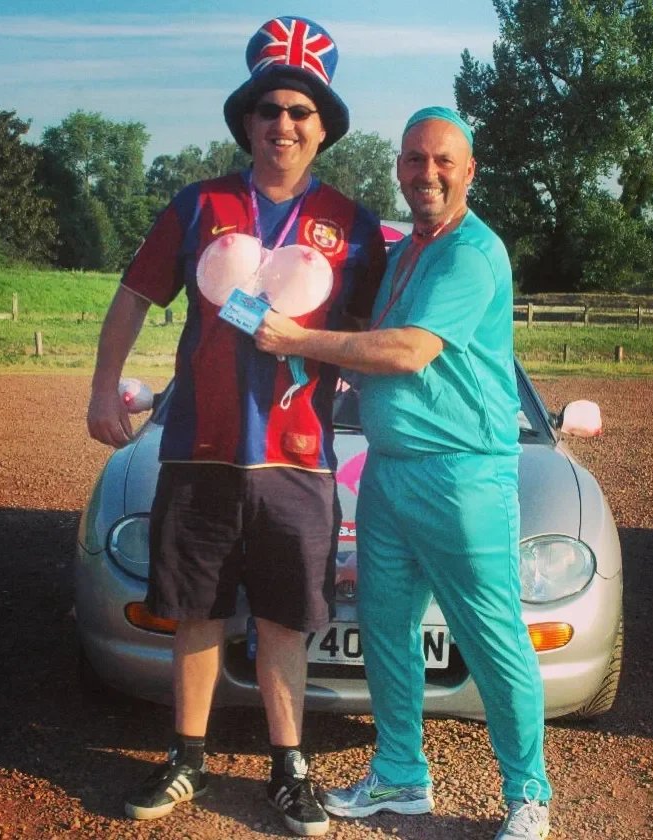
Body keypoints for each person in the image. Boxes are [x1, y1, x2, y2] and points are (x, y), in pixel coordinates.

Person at [86, 16, 385, 837]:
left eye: (300, 112)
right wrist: (104, 386)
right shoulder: (198, 204)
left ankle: (289, 772)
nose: (282, 125)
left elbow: (378, 338)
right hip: (200, 451)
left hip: (301, 464)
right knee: (196, 612)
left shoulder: (354, 225)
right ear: (246, 121)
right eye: (269, 110)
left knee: (288, 621)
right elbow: (135, 297)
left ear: (323, 129)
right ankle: (187, 759)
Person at [254, 106, 552, 840]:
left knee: (492, 638)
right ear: (399, 169)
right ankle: (400, 776)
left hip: (463, 478)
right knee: (386, 630)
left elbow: (406, 351)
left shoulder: (471, 254)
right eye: (415, 160)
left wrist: (297, 339)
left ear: (470, 171)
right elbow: (366, 331)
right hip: (389, 472)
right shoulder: (406, 252)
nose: (427, 174)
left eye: (443, 161)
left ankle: (528, 794)